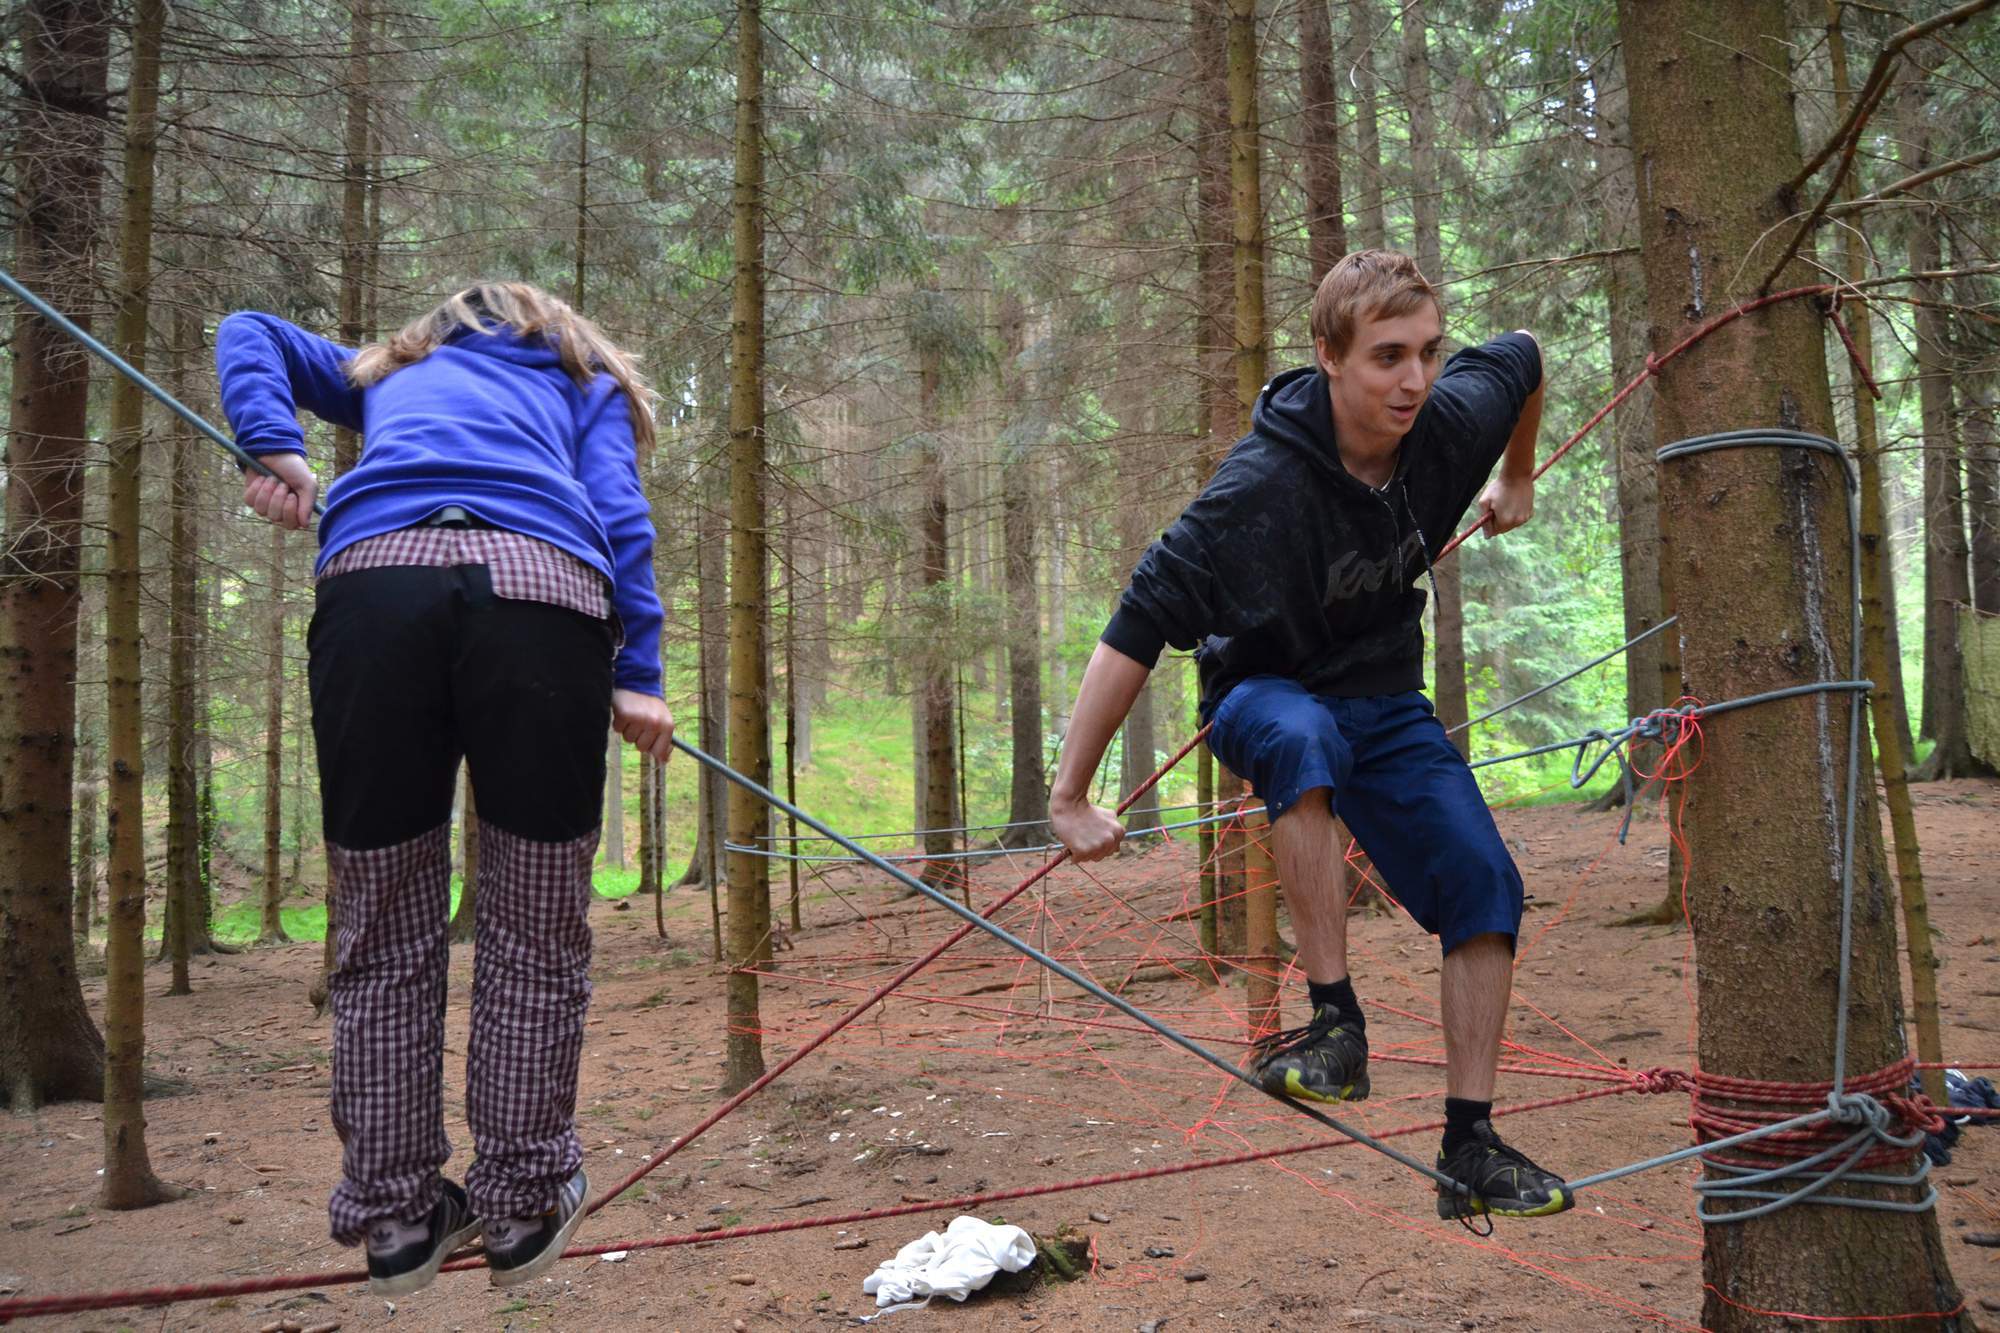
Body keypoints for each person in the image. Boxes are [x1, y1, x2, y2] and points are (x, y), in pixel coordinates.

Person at [1047, 250, 1570, 1222]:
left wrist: (1518, 475)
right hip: (1263, 689)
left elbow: (1526, 356)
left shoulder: (1447, 422)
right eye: (1384, 357)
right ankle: (1333, 1025)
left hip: (1381, 697)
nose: (1412, 378)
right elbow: (1133, 622)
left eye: (1424, 352)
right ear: (1328, 357)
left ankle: (1470, 1144)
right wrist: (1070, 793)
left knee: (1483, 882)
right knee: (1302, 738)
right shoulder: (1254, 491)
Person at [218, 282, 675, 1295]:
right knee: (534, 922)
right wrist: (636, 671)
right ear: (554, 331)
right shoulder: (578, 381)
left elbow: (247, 332)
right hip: (540, 599)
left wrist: (274, 446)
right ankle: (517, 1206)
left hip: (374, 595)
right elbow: (619, 512)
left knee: (380, 923)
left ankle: (396, 1217)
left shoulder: (389, 371)